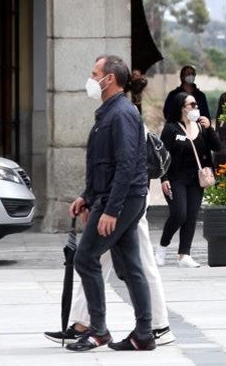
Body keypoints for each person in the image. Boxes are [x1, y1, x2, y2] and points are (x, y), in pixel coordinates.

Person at [66, 54, 153, 352]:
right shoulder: (109, 112)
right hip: (115, 196)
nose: (91, 80)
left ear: (109, 78)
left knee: (85, 258)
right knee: (130, 266)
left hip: (123, 199)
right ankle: (143, 334)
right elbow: (102, 163)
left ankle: (99, 330)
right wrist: (86, 195)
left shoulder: (122, 113)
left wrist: (111, 210)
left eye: (94, 74)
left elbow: (126, 166)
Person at [45, 213, 176, 347]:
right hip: (115, 200)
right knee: (96, 261)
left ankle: (159, 326)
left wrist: (108, 208)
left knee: (140, 264)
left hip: (124, 201)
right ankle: (83, 324)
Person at [156, 94, 220, 268]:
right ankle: (162, 247)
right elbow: (162, 156)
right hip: (175, 179)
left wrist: (210, 129)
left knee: (191, 215)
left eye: (196, 104)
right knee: (179, 213)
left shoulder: (201, 126)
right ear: (181, 107)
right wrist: (164, 178)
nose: (195, 107)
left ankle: (184, 255)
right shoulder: (171, 129)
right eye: (192, 104)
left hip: (196, 179)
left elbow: (217, 147)